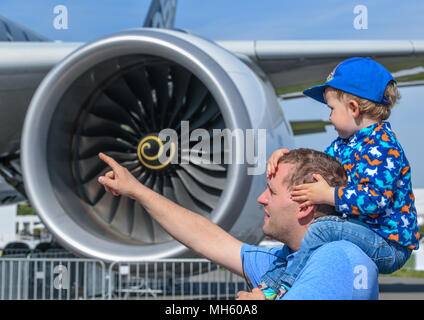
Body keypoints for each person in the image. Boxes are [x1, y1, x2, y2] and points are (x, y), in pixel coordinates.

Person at [97, 148, 379, 300]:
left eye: (272, 191)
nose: (261, 199)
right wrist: (137, 191)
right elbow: (207, 238)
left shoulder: (337, 258)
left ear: (304, 206)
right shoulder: (287, 263)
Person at [262, 57, 419, 299]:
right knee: (304, 230)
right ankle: (268, 285)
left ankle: (285, 289)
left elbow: (374, 200)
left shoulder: (385, 146)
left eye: (331, 109)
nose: (329, 117)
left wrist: (329, 195)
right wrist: (285, 159)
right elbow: (317, 168)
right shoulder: (344, 145)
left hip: (389, 245)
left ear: (354, 108)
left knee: (322, 228)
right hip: (363, 232)